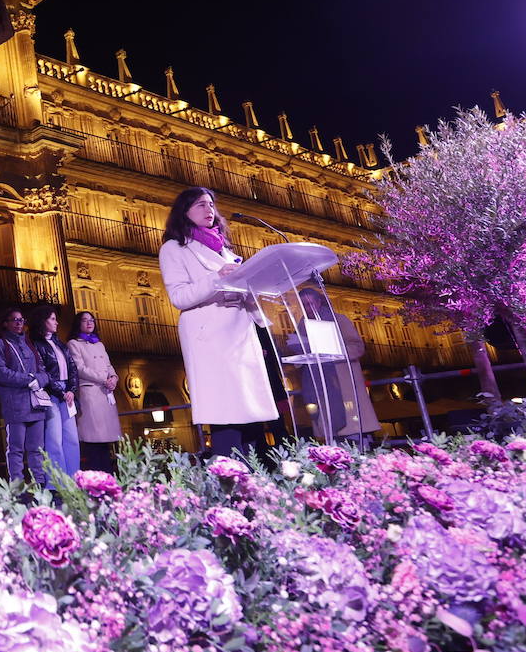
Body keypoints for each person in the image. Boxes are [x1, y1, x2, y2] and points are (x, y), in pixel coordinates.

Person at [158, 187, 277, 458]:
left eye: (211, 204)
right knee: (226, 413)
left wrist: (261, 315)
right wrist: (217, 277)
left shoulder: (224, 249)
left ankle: (256, 480)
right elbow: (179, 296)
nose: (209, 209)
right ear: (184, 212)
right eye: (200, 204)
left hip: (240, 337)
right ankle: (229, 478)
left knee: (250, 412)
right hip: (210, 338)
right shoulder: (174, 248)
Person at [292, 288, 379, 445]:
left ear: (319, 302)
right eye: (303, 304)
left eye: (310, 303)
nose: (307, 308)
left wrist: (332, 350)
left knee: (352, 429)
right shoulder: (302, 326)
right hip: (319, 381)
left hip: (342, 380)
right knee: (331, 430)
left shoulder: (338, 320)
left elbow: (357, 347)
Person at [0, 307, 52, 488]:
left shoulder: (29, 344)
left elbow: (43, 371)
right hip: (15, 404)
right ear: (6, 323)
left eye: (21, 320)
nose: (19, 323)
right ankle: (17, 487)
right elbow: (0, 372)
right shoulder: (0, 344)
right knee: (16, 449)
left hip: (35, 404)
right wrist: (28, 380)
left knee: (36, 449)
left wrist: (38, 380)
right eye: (14, 320)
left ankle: (39, 484)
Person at [68, 311, 123, 473]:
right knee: (93, 439)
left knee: (106, 441)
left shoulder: (99, 344)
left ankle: (109, 475)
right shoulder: (74, 344)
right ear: (78, 323)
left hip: (105, 393)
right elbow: (79, 368)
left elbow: (108, 365)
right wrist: (102, 378)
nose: (89, 323)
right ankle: (96, 478)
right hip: (90, 393)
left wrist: (114, 377)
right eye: (85, 320)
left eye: (91, 320)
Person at [29, 306, 80, 479]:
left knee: (72, 439)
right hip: (51, 396)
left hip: (67, 395)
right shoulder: (36, 345)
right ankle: (57, 483)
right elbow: (44, 373)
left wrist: (71, 390)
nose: (56, 322)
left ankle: (74, 479)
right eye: (52, 319)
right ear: (43, 321)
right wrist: (61, 392)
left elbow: (73, 368)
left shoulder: (60, 343)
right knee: (54, 440)